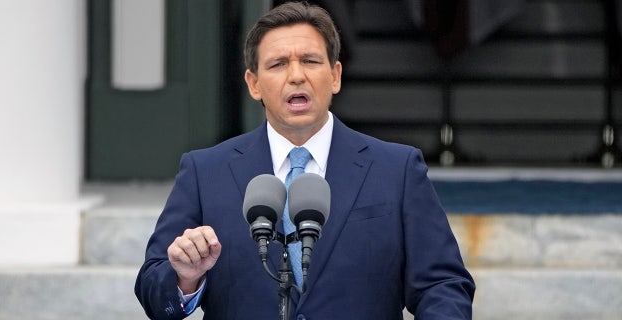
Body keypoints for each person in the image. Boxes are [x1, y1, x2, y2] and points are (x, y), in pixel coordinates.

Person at [135, 2, 475, 319]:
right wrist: (185, 279)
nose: (296, 76)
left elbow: (442, 285)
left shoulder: (397, 170)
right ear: (253, 84)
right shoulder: (204, 171)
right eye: (278, 64)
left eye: (310, 61)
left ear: (336, 75)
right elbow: (153, 289)